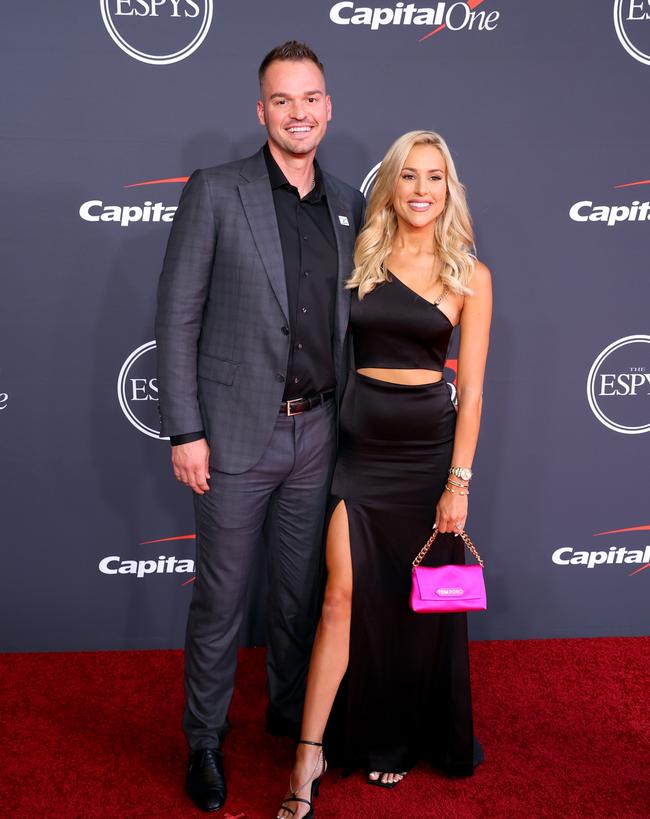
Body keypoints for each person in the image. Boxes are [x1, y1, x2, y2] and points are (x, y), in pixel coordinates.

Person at [155, 40, 365, 813]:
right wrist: (185, 429)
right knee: (221, 597)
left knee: (297, 593)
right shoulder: (217, 190)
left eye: (310, 98)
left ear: (328, 106)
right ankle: (204, 738)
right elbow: (177, 316)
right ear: (261, 111)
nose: (298, 112)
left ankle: (288, 713)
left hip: (320, 434)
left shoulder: (348, 202)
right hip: (235, 436)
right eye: (282, 100)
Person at [277, 130, 492, 819]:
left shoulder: (470, 274)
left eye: (435, 176)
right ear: (392, 186)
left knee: (416, 602)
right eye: (410, 176)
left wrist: (458, 480)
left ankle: (396, 736)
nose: (422, 189)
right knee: (341, 595)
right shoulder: (361, 257)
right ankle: (309, 753)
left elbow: (476, 391)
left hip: (427, 455)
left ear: (448, 189)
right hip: (360, 456)